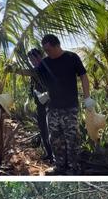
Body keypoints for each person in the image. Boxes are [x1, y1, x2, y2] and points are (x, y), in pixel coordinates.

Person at [35, 34, 95, 175]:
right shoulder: (45, 62)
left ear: (57, 45)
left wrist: (87, 98)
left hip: (70, 107)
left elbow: (84, 77)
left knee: (72, 139)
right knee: (55, 139)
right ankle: (59, 166)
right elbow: (34, 75)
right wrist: (16, 70)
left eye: (49, 49)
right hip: (53, 108)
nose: (47, 53)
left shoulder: (71, 58)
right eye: (45, 51)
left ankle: (74, 168)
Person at [27, 48, 53, 162]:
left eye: (34, 59)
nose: (32, 61)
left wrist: (48, 94)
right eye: (30, 60)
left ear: (40, 57)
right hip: (40, 104)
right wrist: (29, 99)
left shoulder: (48, 68)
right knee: (43, 129)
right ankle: (48, 153)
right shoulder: (33, 71)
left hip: (51, 104)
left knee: (51, 129)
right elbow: (31, 87)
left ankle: (55, 156)